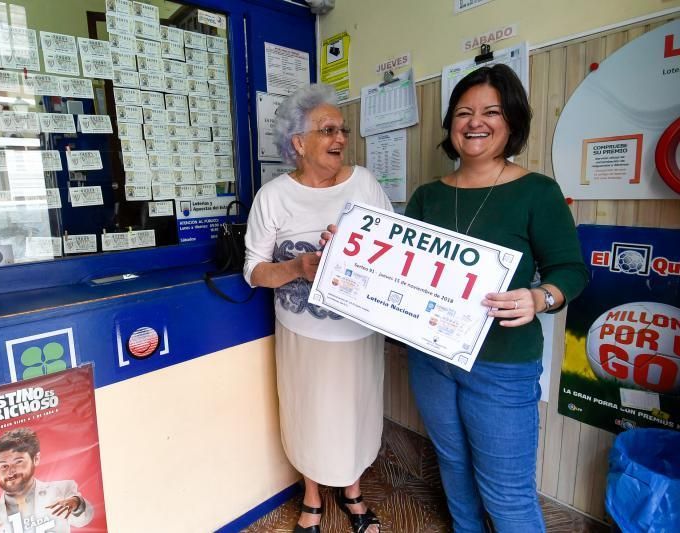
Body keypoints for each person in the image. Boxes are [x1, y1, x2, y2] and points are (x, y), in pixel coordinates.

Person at [402, 64, 588, 532]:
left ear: (512, 122)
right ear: (451, 126)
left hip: (502, 365)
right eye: (463, 112)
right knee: (454, 467)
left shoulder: (538, 192)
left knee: (507, 495)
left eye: (491, 111)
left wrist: (539, 297)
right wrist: (346, 249)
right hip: (431, 358)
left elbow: (571, 271)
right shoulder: (427, 196)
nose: (474, 122)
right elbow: (401, 271)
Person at [244, 84, 390, 533]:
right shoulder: (273, 197)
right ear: (298, 143)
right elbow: (253, 271)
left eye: (342, 129)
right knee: (310, 413)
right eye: (327, 129)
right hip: (302, 335)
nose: (340, 138)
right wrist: (297, 267)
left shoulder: (364, 182)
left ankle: (351, 490)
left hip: (359, 331)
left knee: (357, 411)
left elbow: (392, 248)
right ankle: (311, 497)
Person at [0, 428, 94, 533]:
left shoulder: (62, 489)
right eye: (4, 466)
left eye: (18, 462)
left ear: (36, 459)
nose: (11, 471)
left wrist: (76, 503)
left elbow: (84, 519)